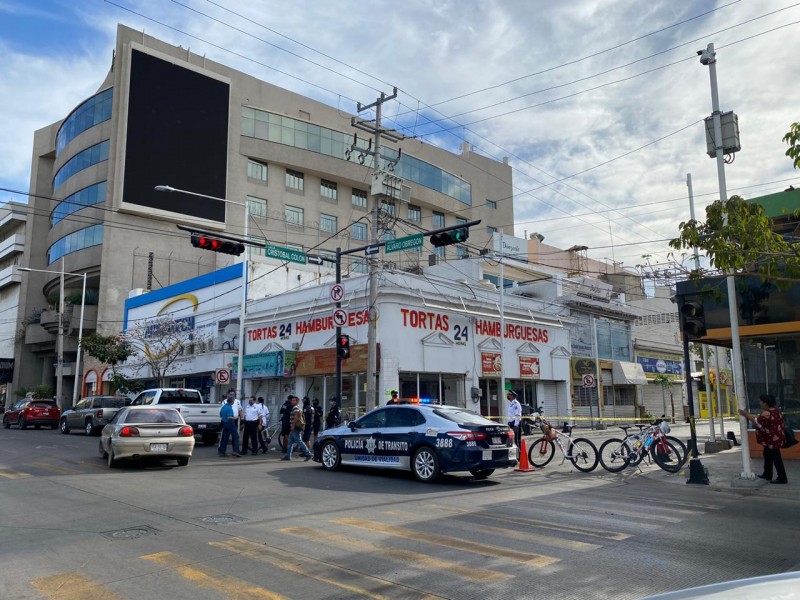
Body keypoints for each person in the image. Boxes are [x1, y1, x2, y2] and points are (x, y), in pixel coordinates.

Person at [740, 394, 788, 484]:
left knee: (776, 458)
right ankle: (767, 474)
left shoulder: (767, 413)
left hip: (771, 440)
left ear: (765, 403)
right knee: (768, 456)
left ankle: (782, 478)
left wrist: (745, 414)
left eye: (761, 402)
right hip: (775, 439)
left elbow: (756, 421)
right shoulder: (776, 411)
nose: (760, 403)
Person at [282, 396, 311, 461]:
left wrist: (293, 425)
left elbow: (296, 417)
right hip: (294, 427)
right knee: (290, 442)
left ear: (297, 401)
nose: (292, 401)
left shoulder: (295, 408)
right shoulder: (297, 407)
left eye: (294, 400)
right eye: (292, 400)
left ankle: (308, 453)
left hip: (295, 427)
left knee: (299, 441)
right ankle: (288, 456)